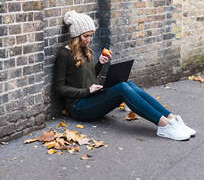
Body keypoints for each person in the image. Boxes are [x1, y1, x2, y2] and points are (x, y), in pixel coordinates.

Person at [54, 10, 196, 141]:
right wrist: (87, 91)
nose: (89, 39)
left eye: (91, 35)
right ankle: (164, 125)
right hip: (78, 107)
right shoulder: (64, 55)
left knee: (129, 85)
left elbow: (88, 76)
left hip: (91, 98)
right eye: (86, 36)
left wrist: (100, 64)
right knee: (122, 88)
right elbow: (59, 88)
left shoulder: (86, 50)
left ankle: (171, 118)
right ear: (76, 36)